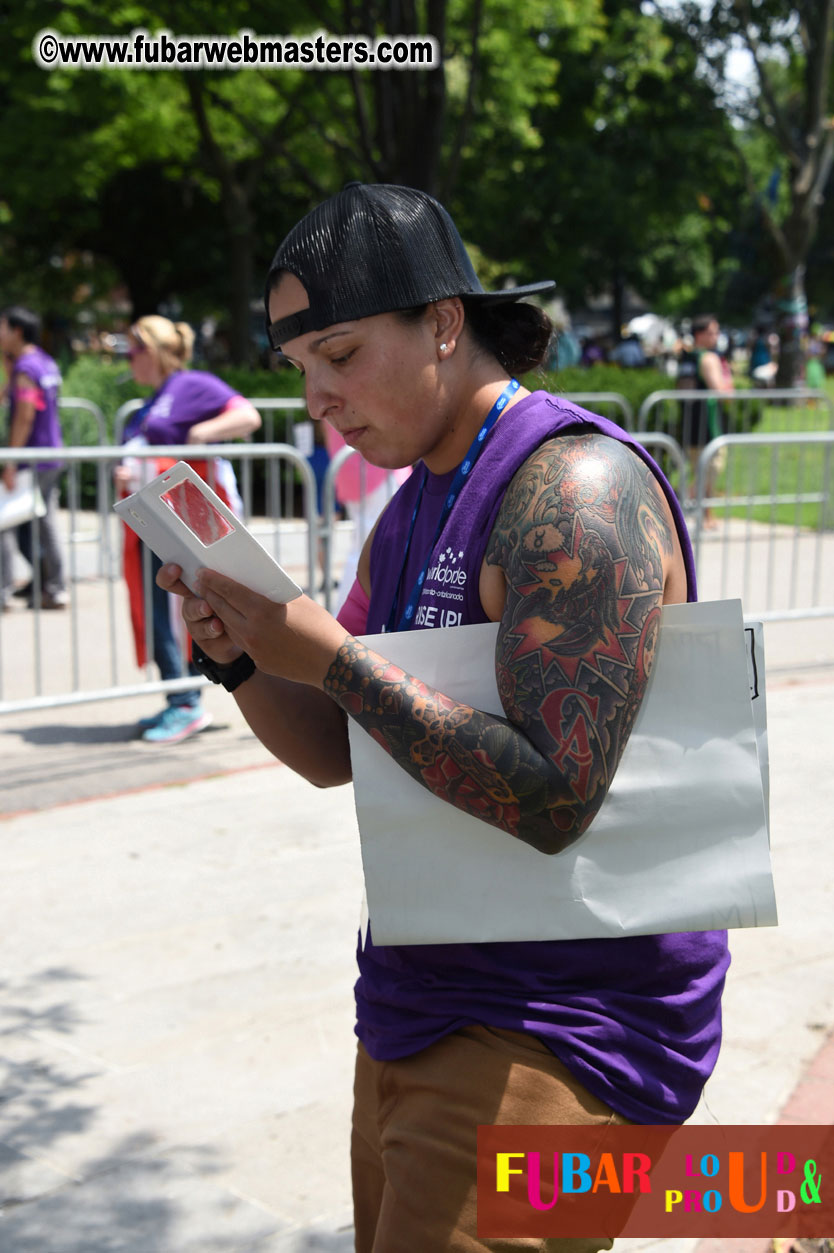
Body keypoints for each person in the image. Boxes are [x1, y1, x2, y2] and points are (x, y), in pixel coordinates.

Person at [158, 183, 729, 1252]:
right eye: (299, 369)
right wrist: (238, 657)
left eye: (339, 351)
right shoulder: (412, 498)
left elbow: (558, 795)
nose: (318, 395)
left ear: (445, 322)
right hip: (417, 999)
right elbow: (338, 752)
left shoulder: (577, 484)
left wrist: (330, 656)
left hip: (567, 1031)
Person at [116, 315, 261, 744]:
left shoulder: (190, 383)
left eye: (133, 350)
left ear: (154, 351)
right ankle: (176, 697)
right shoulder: (155, 398)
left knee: (182, 612)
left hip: (180, 522)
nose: (128, 360)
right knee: (158, 611)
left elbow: (246, 415)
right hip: (153, 522)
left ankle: (186, 703)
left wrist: (200, 435)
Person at [0, 306, 67, 611]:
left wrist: (11, 461)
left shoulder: (26, 369)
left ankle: (48, 587)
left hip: (33, 457)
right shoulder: (42, 361)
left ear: (16, 331)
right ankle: (50, 586)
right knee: (41, 522)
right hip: (50, 453)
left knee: (12, 523)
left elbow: (24, 416)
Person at [323, 422, 411, 609]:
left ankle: (347, 617)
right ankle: (349, 618)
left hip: (354, 470)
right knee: (369, 550)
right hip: (374, 471)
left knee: (363, 547)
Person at [676, 313, 735, 528]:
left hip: (689, 424)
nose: (716, 336)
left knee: (701, 471)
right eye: (713, 332)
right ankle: (676, 501)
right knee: (710, 471)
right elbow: (721, 392)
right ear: (700, 334)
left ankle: (707, 516)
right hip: (707, 425)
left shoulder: (686, 358)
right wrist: (729, 382)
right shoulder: (709, 358)